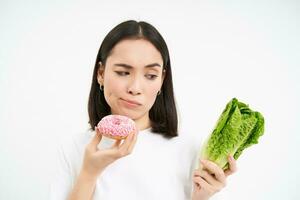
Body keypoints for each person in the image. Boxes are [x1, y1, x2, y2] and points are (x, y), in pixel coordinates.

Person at [50, 20, 237, 200]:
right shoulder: (74, 149)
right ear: (101, 73)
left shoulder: (192, 150)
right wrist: (89, 174)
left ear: (162, 80)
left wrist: (201, 199)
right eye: (123, 72)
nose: (135, 88)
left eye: (150, 75)